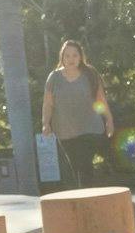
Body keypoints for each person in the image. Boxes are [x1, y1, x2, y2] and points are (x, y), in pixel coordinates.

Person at [40, 40, 112, 188]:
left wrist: (109, 120)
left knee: (84, 164)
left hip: (90, 127)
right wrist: (45, 124)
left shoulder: (90, 74)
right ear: (62, 58)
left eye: (74, 55)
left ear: (80, 57)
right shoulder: (54, 78)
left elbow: (100, 100)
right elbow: (48, 103)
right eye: (67, 56)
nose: (71, 59)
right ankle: (83, 198)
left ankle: (87, 199)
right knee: (75, 167)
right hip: (65, 131)